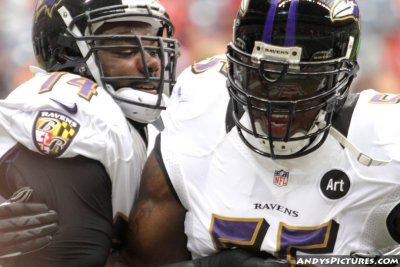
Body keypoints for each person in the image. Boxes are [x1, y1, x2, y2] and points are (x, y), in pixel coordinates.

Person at [121, 0, 400, 266]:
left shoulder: (384, 141)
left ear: (340, 76)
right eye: (260, 75)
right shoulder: (201, 108)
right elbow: (137, 262)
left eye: (300, 80)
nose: (275, 98)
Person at [0, 0, 179, 266]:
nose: (151, 62)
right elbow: (73, 257)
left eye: (153, 46)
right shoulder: (69, 104)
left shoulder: (143, 127)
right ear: (68, 54)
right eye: (126, 49)